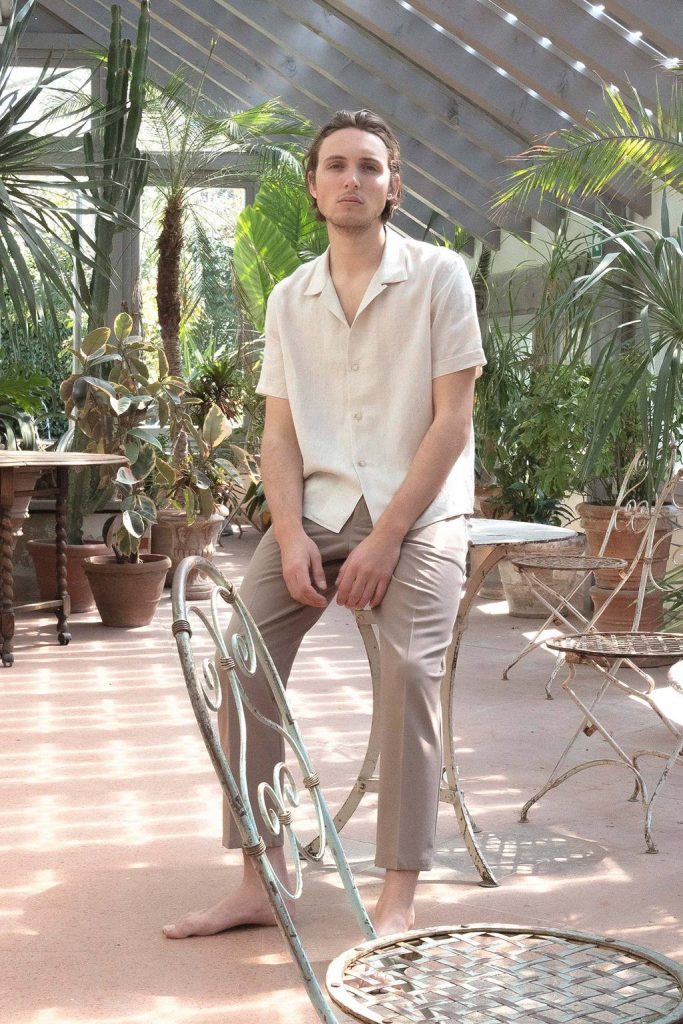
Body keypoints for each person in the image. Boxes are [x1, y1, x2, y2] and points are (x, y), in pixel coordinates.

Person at [163, 109, 486, 940]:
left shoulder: (440, 276)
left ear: (392, 185)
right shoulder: (289, 297)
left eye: (369, 167)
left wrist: (387, 536)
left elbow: (451, 423)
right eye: (336, 165)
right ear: (312, 186)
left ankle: (398, 899)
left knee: (407, 670)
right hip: (315, 511)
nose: (352, 179)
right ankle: (261, 878)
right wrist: (289, 533)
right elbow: (277, 435)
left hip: (418, 514)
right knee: (240, 660)